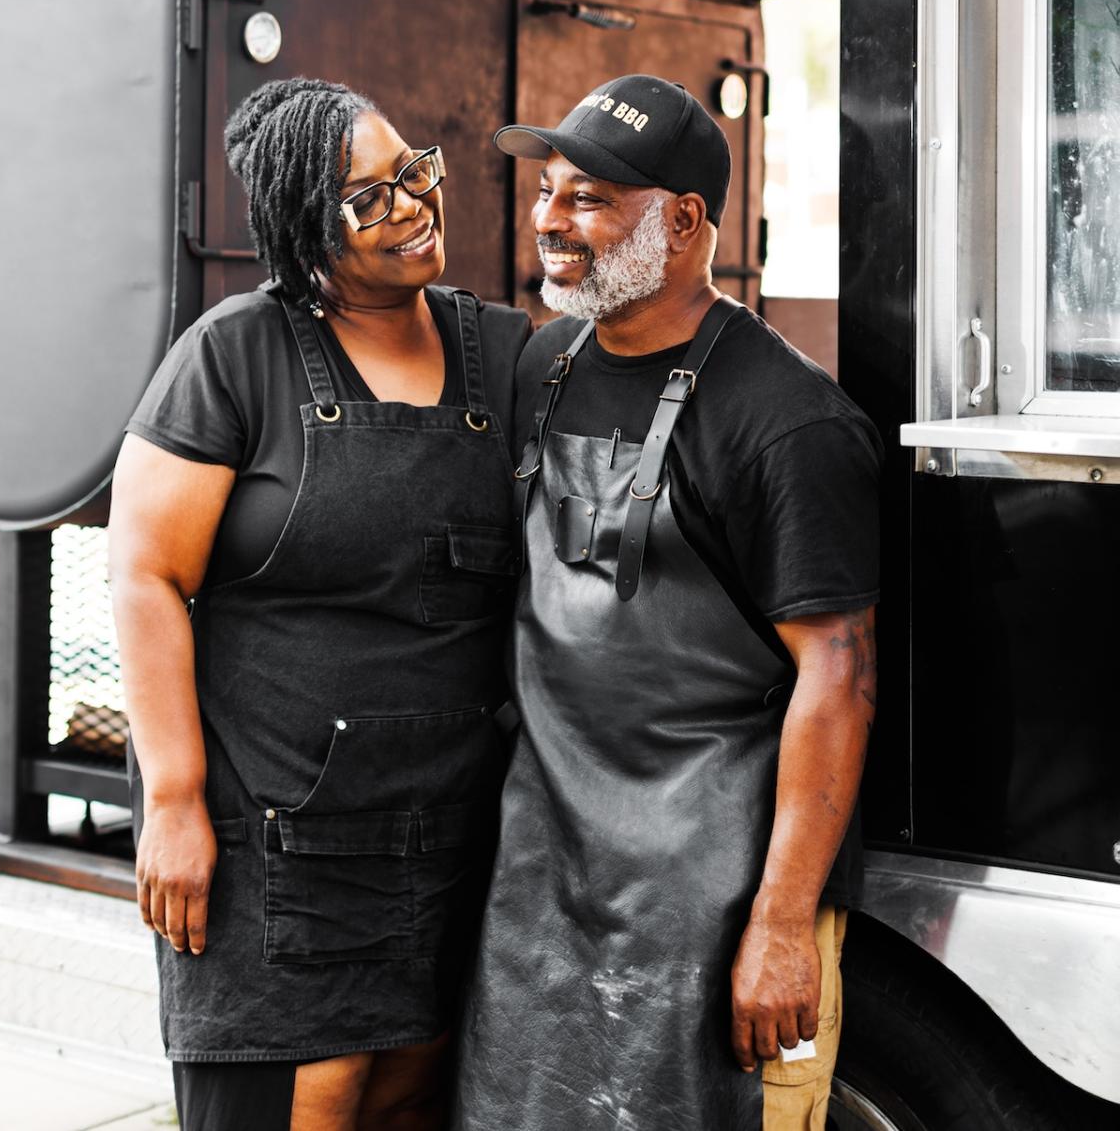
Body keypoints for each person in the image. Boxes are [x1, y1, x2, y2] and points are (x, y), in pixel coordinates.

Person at [453, 74, 882, 1131]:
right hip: (541, 875)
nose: (552, 216)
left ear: (683, 220)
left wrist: (781, 924)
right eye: (549, 189)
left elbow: (840, 674)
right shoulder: (543, 363)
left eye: (591, 196)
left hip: (713, 890)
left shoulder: (787, 422)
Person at [108, 77, 529, 1131]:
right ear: (303, 234)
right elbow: (145, 571)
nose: (415, 203)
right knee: (311, 1092)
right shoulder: (235, 357)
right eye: (369, 197)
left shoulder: (508, 356)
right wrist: (172, 797)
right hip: (271, 834)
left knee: (411, 1090)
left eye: (413, 170)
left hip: (449, 829)